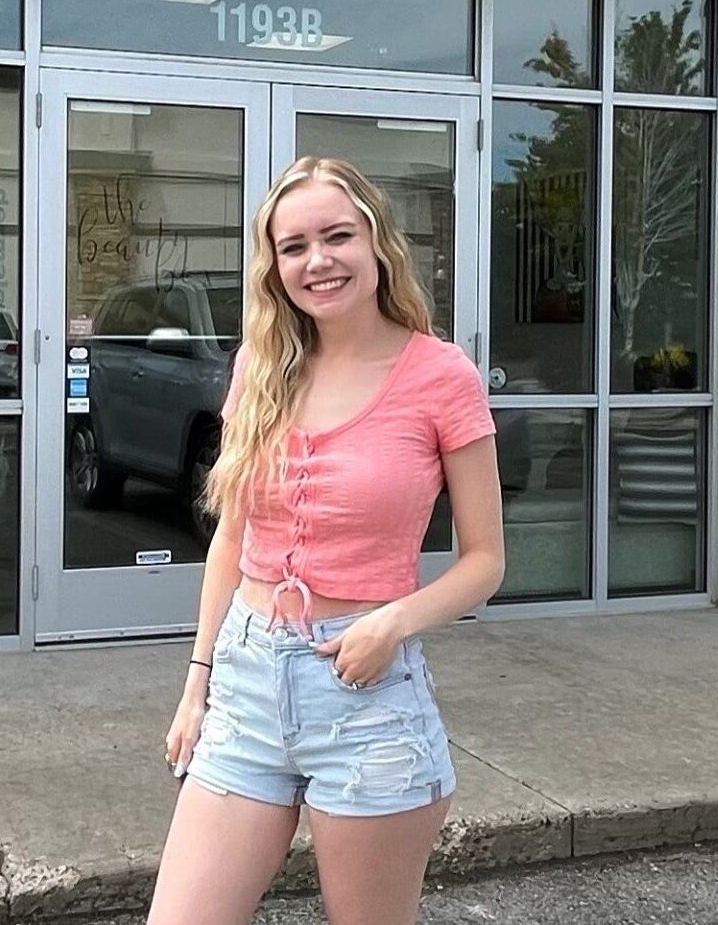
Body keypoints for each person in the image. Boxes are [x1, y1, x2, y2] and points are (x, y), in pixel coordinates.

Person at [148, 157, 505, 925]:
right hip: (246, 683)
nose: (318, 261)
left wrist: (393, 622)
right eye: (294, 245)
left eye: (337, 236)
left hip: (366, 696)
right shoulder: (262, 365)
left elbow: (486, 560)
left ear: (377, 242)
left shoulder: (442, 377)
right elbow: (232, 538)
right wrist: (196, 684)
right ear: (274, 266)